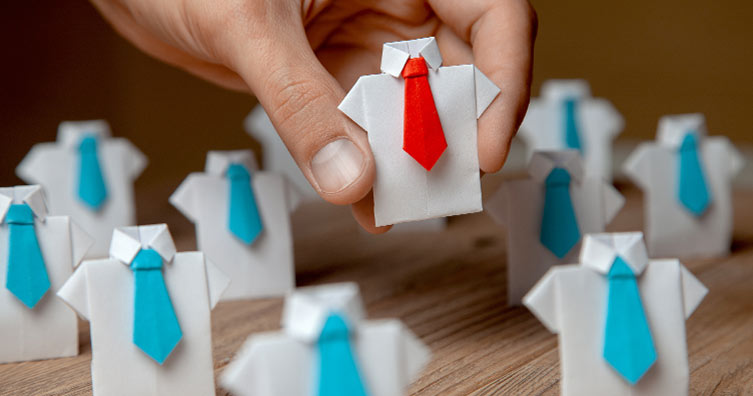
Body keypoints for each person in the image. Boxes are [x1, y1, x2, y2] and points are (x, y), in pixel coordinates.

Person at [90, 0, 537, 233]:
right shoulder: (370, 90)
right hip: (401, 173)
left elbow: (487, 99)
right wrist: (322, 131)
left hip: (437, 172)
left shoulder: (454, 85)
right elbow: (341, 114)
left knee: (489, 136)